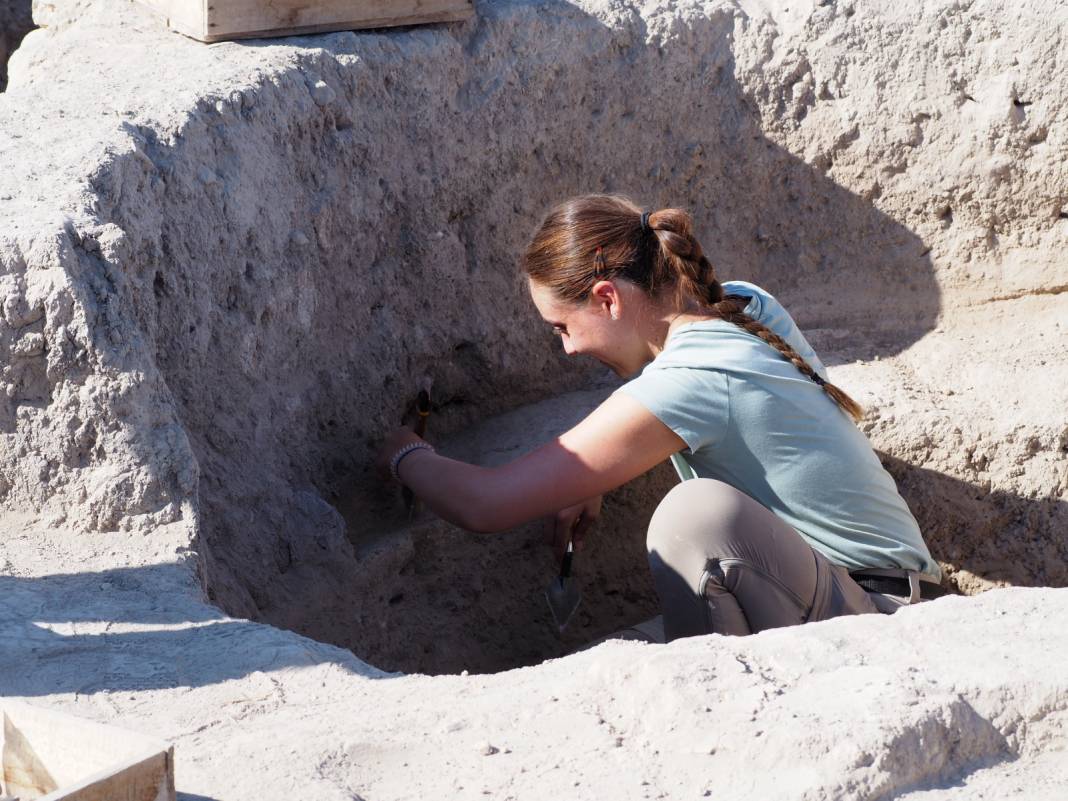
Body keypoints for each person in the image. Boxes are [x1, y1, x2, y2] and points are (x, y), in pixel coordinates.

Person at [377, 194, 942, 643]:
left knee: (694, 517)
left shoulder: (690, 381)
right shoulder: (740, 303)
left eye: (562, 328)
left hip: (874, 622)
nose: (568, 349)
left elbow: (487, 503)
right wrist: (594, 472)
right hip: (842, 590)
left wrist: (403, 452)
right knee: (611, 665)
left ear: (607, 299)